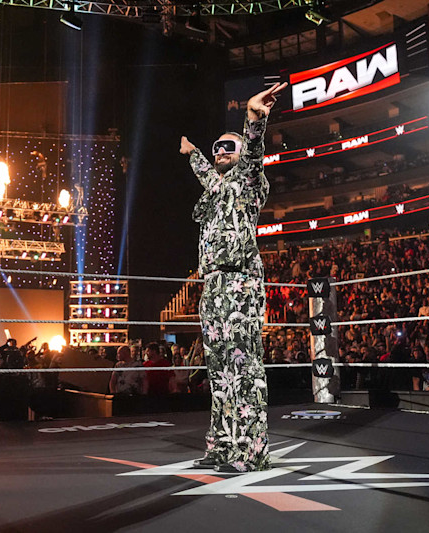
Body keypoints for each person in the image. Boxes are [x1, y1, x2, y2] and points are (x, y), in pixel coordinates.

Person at [179, 81, 286, 473]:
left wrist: (254, 119)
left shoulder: (247, 184)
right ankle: (223, 446)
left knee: (244, 369)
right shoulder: (216, 191)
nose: (222, 151)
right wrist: (194, 156)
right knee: (219, 370)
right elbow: (210, 178)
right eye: (216, 148)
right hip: (213, 287)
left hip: (241, 283)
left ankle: (252, 452)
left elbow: (254, 154)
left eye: (230, 146)